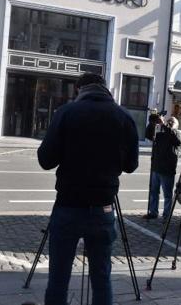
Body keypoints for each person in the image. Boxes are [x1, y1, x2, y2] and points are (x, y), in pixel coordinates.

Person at [37, 72, 139, 305]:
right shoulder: (123, 116)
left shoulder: (66, 113)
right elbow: (131, 165)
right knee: (102, 277)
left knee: (58, 278)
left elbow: (45, 160)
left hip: (68, 205)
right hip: (103, 207)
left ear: (78, 90)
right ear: (105, 88)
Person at [143, 115, 181, 220]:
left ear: (177, 125)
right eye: (168, 120)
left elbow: (176, 140)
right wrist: (153, 122)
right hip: (156, 168)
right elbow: (148, 135)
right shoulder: (161, 134)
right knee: (154, 192)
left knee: (167, 195)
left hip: (167, 171)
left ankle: (166, 216)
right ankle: (153, 212)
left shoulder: (178, 135)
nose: (169, 122)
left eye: (172, 121)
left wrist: (163, 124)